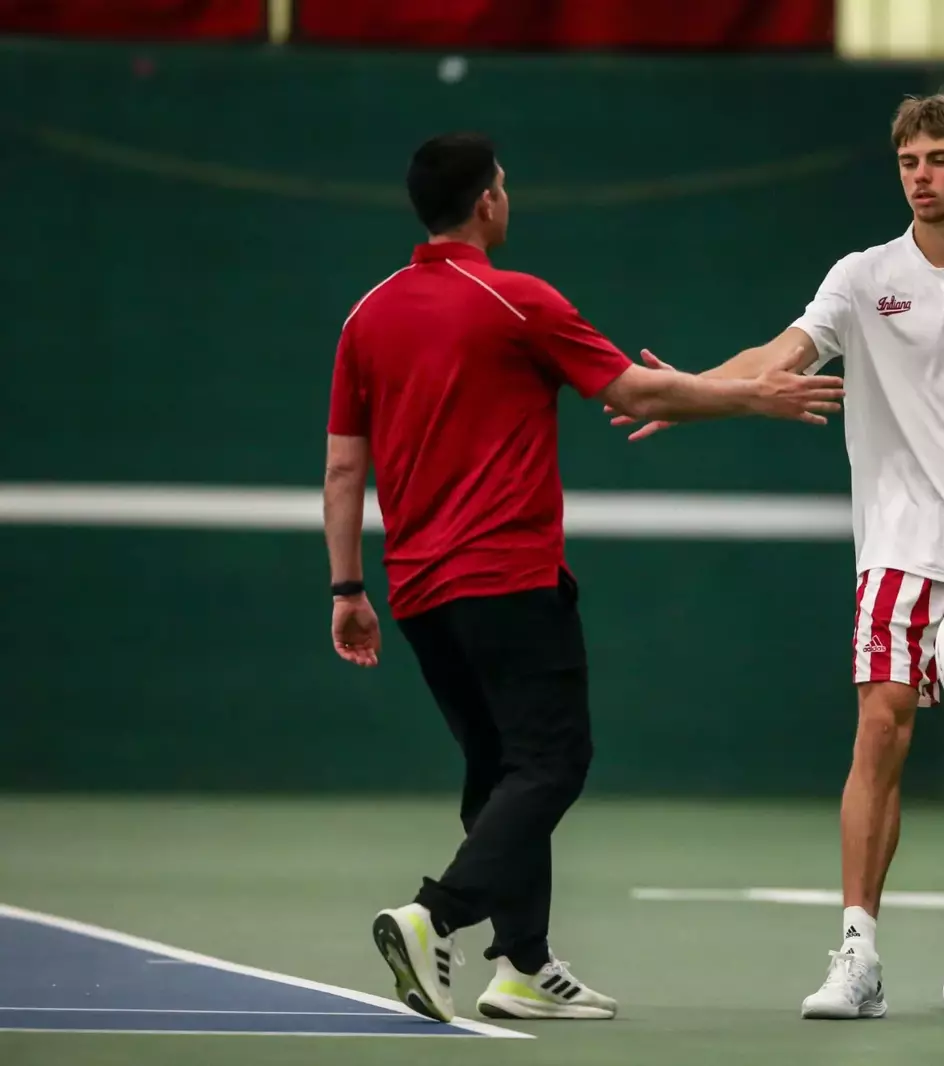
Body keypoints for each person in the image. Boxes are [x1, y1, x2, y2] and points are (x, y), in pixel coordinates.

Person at [321, 132, 844, 1026]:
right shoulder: (517, 300)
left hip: (415, 596)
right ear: (487, 202)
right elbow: (630, 394)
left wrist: (347, 591)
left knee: (499, 770)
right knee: (554, 762)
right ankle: (432, 915)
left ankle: (522, 966)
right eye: (505, 185)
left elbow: (341, 469)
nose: (507, 197)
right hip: (510, 581)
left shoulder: (366, 315)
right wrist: (753, 395)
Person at [610, 94, 944, 1017]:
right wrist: (677, 391)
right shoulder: (862, 275)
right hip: (900, 550)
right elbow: (779, 354)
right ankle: (858, 953)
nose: (921, 176)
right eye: (908, 162)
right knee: (879, 731)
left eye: (938, 160)